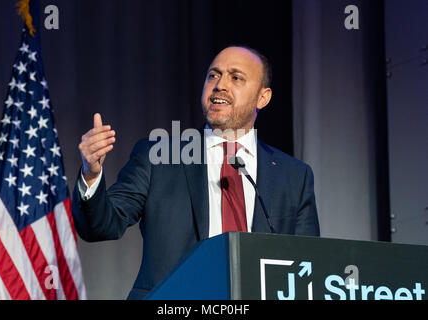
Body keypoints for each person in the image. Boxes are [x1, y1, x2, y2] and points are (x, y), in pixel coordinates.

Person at [72, 46, 320, 300]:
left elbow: (306, 267)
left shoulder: (293, 176)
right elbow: (101, 226)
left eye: (235, 77)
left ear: (262, 98)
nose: (220, 85)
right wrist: (91, 176)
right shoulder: (158, 156)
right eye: (213, 75)